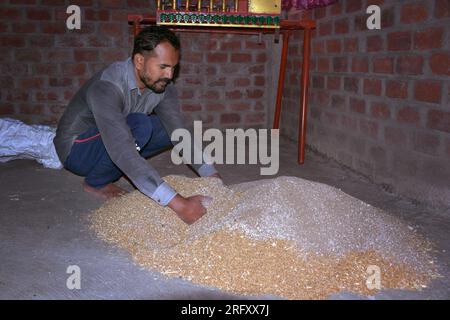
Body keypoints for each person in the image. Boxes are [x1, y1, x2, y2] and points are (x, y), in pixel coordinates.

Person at [53, 26, 220, 224]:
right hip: (76, 150)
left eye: (173, 68)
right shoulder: (107, 86)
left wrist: (211, 176)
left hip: (115, 139)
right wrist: (179, 204)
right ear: (140, 61)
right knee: (140, 125)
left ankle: (119, 170)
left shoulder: (161, 85)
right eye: (163, 66)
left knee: (171, 127)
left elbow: (179, 131)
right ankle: (96, 183)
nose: (170, 74)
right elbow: (121, 146)